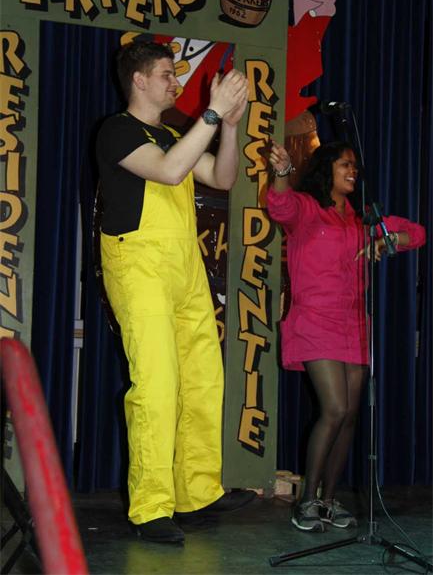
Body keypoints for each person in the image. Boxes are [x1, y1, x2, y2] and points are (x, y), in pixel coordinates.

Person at [96, 40, 253, 544]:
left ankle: (197, 493)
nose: (176, 83)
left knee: (204, 379)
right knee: (157, 385)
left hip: (185, 266)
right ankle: (150, 507)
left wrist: (230, 126)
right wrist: (212, 112)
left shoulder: (170, 135)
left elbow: (222, 177)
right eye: (166, 74)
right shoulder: (117, 130)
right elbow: (167, 171)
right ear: (139, 80)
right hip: (139, 265)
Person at [266, 141, 425, 532]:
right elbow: (280, 206)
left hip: (353, 323)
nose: (353, 171)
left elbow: (417, 234)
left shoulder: (360, 220)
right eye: (345, 165)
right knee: (335, 408)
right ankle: (306, 501)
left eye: (355, 166)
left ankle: (328, 499)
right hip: (314, 320)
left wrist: (383, 241)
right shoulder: (308, 208)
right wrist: (282, 172)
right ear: (327, 169)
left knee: (351, 414)